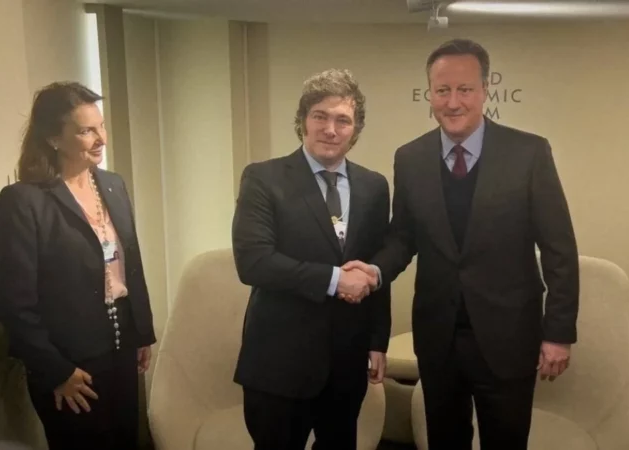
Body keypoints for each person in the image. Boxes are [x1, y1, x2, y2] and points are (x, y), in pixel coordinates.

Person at [343, 38, 580, 449]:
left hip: (509, 337)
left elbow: (559, 249)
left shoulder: (528, 153)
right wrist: (375, 271)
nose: (453, 102)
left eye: (464, 89)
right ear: (430, 94)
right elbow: (404, 236)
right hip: (439, 337)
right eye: (442, 90)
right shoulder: (410, 158)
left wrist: (558, 333)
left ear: (485, 90)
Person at [231, 68, 391, 450]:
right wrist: (335, 280)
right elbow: (254, 262)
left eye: (343, 120)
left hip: (347, 363)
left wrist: (377, 340)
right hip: (279, 364)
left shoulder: (373, 187)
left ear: (356, 129)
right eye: (320, 116)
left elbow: (374, 266)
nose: (330, 129)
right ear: (303, 120)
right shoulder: (263, 178)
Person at [0, 82, 156, 450]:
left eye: (101, 126)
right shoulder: (23, 200)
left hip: (121, 346)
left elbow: (130, 263)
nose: (101, 139)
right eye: (86, 131)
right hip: (67, 363)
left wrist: (141, 331)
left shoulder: (113, 185)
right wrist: (56, 370)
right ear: (53, 138)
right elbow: (14, 302)